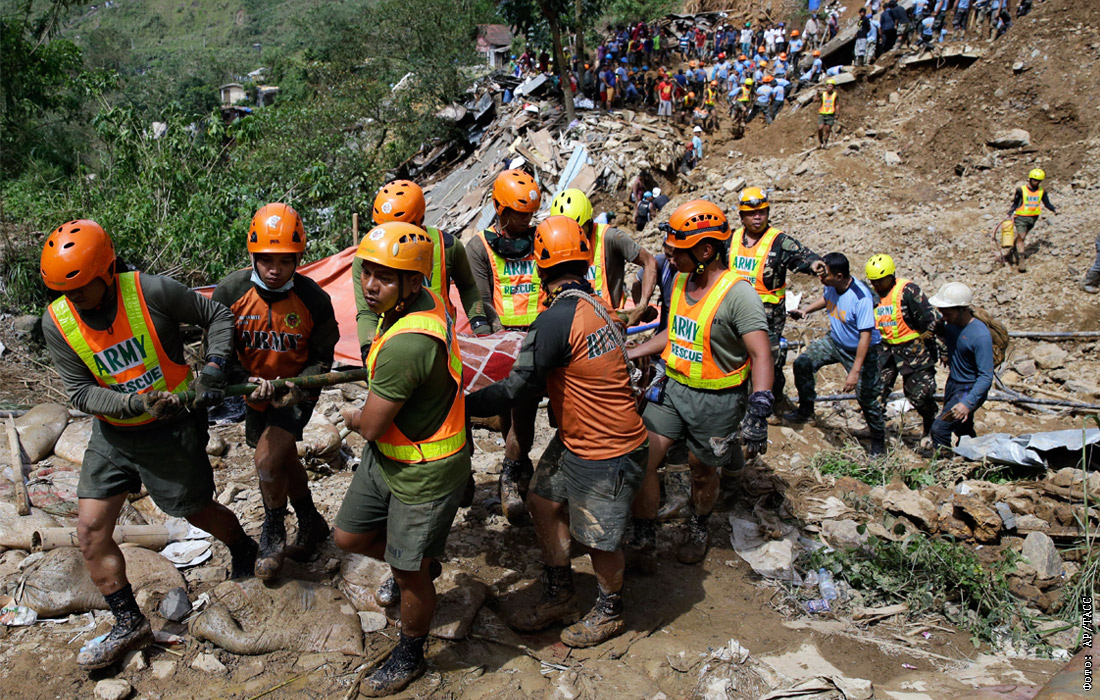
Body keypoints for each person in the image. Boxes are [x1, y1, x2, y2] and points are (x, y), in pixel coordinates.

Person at [40, 220, 257, 670]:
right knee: (90, 531)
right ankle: (128, 622)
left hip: (172, 430)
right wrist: (134, 403)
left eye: (81, 288)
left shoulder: (152, 291)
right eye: (65, 291)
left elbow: (218, 315)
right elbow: (80, 392)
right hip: (113, 434)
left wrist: (214, 368)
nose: (74, 298)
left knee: (194, 510)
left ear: (107, 271)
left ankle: (242, 546)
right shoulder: (57, 322)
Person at [466, 216, 647, 647]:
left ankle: (609, 611)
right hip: (582, 436)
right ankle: (559, 594)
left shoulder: (554, 320)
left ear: (539, 264)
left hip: (605, 446)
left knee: (599, 538)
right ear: (584, 261)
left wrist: (460, 405)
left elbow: (518, 388)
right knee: (542, 501)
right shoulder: (595, 304)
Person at [335, 222, 471, 696]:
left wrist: (352, 416)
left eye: (385, 277)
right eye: (367, 272)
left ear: (413, 282)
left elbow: (371, 425)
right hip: (392, 453)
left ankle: (411, 652)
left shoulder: (408, 345)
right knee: (349, 535)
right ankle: (419, 565)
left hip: (423, 469)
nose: (370, 286)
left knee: (407, 571)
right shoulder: (423, 300)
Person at [626, 200, 775, 565]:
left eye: (677, 252)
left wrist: (759, 405)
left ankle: (699, 526)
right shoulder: (679, 280)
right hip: (673, 390)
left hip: (717, 401)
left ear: (706, 251)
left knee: (703, 471)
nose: (670, 258)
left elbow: (760, 354)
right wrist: (632, 351)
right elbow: (675, 333)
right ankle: (644, 535)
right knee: (642, 457)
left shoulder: (738, 295)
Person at [212, 204, 337, 580]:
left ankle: (273, 530)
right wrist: (243, 380)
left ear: (299, 257)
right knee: (281, 460)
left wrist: (298, 390)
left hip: (295, 392)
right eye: (266, 259)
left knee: (267, 462)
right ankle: (311, 522)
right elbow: (217, 350)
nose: (274, 269)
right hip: (252, 391)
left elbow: (322, 358)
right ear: (252, 254)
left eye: (285, 260)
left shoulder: (313, 299)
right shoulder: (231, 292)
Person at [465, 169, 545, 522]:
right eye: (518, 214)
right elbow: (481, 300)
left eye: (530, 214)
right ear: (500, 209)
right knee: (505, 409)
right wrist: (497, 338)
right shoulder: (478, 248)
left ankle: (510, 477)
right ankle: (517, 466)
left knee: (524, 412)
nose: (526, 220)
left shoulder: (541, 240)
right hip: (500, 342)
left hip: (538, 338)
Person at [730, 188, 825, 410]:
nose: (757, 217)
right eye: (751, 213)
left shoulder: (778, 241)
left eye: (762, 212)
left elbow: (801, 255)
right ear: (741, 216)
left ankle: (773, 404)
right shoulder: (731, 239)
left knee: (769, 360)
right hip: (735, 312)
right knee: (736, 358)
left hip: (768, 317)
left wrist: (814, 264)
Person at [786, 253, 887, 455]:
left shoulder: (861, 298)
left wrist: (854, 372)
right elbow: (827, 298)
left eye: (825, 275)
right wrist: (806, 310)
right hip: (835, 342)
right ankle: (806, 411)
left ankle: (878, 441)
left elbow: (865, 336)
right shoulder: (831, 285)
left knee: (866, 397)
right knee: (803, 363)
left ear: (839, 276)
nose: (820, 278)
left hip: (862, 350)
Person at [864, 254, 939, 448]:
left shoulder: (908, 291)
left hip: (913, 350)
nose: (877, 285)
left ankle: (931, 424)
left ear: (891, 276)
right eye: (873, 281)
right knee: (874, 392)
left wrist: (942, 349)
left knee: (919, 395)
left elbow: (931, 320)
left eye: (880, 281)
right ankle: (878, 435)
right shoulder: (870, 295)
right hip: (884, 350)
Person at [551, 188, 658, 323]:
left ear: (588, 221)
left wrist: (642, 306)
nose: (573, 237)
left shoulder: (610, 238)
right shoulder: (559, 243)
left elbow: (649, 261)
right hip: (576, 323)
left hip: (609, 324)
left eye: (578, 230)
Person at [927, 282, 994, 453]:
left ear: (962, 309)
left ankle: (944, 463)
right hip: (953, 384)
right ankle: (973, 457)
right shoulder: (951, 325)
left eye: (947, 313)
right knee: (962, 429)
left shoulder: (980, 336)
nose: (944, 317)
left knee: (940, 429)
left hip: (968, 388)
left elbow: (986, 376)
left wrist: (967, 403)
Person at [1005, 168, 1057, 272]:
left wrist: (1054, 209)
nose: (1036, 182)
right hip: (1021, 217)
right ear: (1030, 179)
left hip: (1033, 218)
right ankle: (1021, 260)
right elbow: (1015, 203)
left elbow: (1047, 203)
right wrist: (1009, 214)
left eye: (1038, 181)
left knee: (1021, 237)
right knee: (1022, 236)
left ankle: (1012, 251)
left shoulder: (1042, 191)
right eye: (1034, 180)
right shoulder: (1021, 190)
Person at [817, 78, 838, 148]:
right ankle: (820, 140)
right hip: (822, 114)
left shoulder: (835, 95)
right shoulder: (823, 94)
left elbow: (837, 104)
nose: (829, 87)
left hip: (830, 114)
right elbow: (815, 100)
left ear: (833, 87)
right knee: (820, 128)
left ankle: (825, 142)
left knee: (827, 129)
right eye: (828, 86)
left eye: (831, 86)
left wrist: (837, 113)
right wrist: (817, 93)